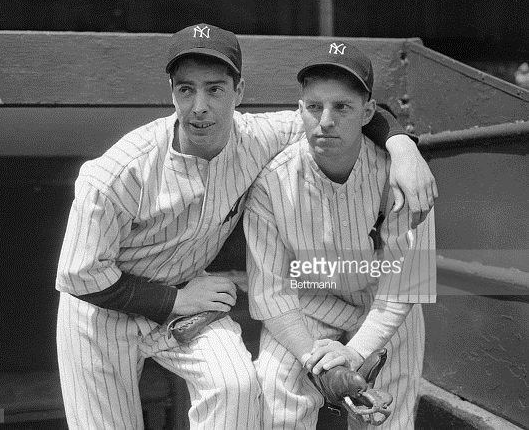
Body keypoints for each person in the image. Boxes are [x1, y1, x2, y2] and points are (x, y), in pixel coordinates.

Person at [55, 24, 437, 430]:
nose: (199, 106)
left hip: (194, 292)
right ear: (171, 92)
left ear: (239, 93)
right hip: (104, 310)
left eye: (215, 89)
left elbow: (344, 114)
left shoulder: (265, 136)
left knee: (236, 388)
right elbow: (79, 276)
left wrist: (403, 146)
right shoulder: (115, 174)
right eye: (186, 90)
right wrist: (174, 301)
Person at [243, 41, 436, 429]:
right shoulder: (271, 182)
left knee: (388, 418)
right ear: (300, 110)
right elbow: (271, 292)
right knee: (278, 400)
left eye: (342, 107)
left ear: (367, 113)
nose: (325, 120)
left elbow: (405, 287)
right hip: (308, 305)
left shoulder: (402, 176)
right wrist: (317, 359)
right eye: (314, 107)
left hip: (381, 306)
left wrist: (355, 353)